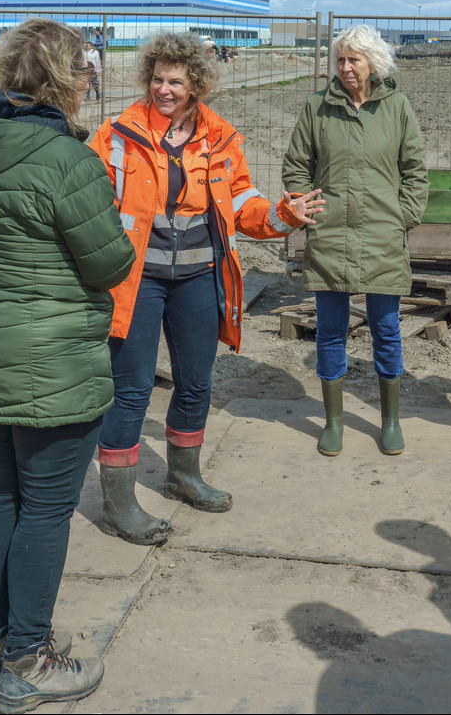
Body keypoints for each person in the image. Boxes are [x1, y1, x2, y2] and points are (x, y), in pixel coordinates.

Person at [0, 18, 134, 713]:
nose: (90, 83)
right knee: (47, 508)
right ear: (64, 79)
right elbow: (109, 263)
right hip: (51, 359)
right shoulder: (69, 161)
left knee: (4, 495)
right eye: (86, 72)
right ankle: (28, 661)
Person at [90, 32, 323, 544]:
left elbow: (242, 203)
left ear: (197, 84)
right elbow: (89, 201)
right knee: (130, 391)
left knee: (196, 382)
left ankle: (183, 476)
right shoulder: (117, 134)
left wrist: (284, 215)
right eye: (157, 79)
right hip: (137, 282)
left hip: (198, 278)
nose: (164, 89)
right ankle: (120, 504)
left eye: (176, 80)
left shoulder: (221, 139)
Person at [282, 24, 428, 457]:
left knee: (386, 330)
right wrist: (309, 213)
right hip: (331, 238)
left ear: (373, 63)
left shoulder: (397, 107)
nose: (347, 68)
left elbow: (416, 171)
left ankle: (390, 421)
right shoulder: (317, 108)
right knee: (330, 332)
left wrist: (402, 217)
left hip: (383, 237)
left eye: (355, 59)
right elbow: (295, 167)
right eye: (341, 60)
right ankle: (333, 422)